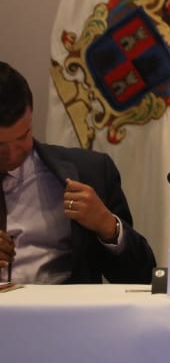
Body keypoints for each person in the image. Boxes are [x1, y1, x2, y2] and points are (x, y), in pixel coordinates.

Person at [0, 61, 155, 284]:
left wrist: (107, 225)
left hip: (62, 305)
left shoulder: (90, 172)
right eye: (0, 145)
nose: (12, 152)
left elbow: (142, 276)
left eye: (23, 136)